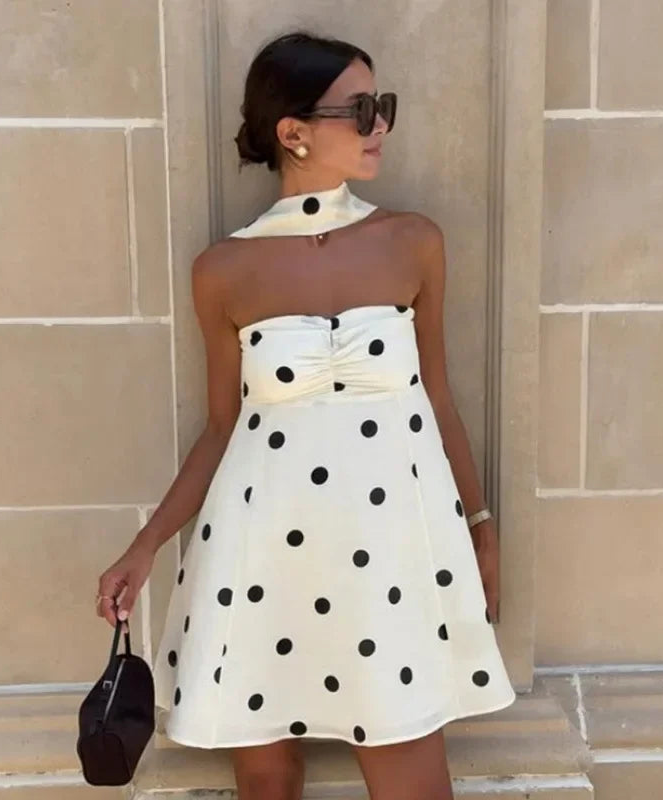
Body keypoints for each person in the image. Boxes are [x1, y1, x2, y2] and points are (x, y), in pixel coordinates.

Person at [96, 29, 516, 800]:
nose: (379, 125)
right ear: (292, 133)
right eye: (360, 110)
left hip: (389, 551)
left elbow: (440, 398)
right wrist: (145, 546)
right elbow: (224, 429)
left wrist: (481, 529)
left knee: (411, 765)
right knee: (265, 774)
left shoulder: (412, 241)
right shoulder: (224, 269)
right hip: (262, 550)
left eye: (381, 106)